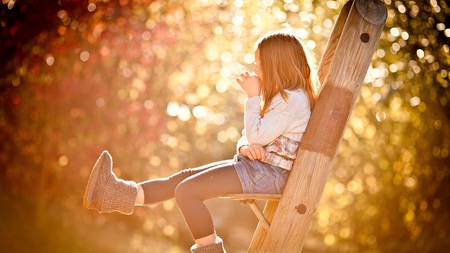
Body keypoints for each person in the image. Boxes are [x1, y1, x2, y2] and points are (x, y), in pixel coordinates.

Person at [83, 30, 318, 253]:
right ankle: (112, 193)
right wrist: (245, 147)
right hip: (257, 168)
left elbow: (256, 133)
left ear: (276, 64)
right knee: (182, 178)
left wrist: (253, 97)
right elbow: (250, 136)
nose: (255, 69)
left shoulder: (293, 99)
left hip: (269, 174)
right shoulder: (284, 98)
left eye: (259, 62)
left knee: (187, 191)